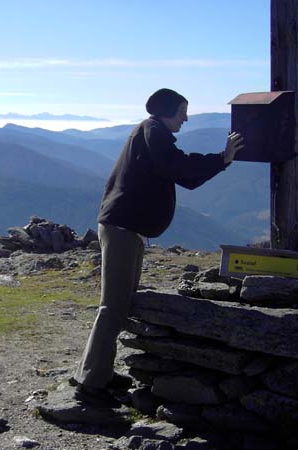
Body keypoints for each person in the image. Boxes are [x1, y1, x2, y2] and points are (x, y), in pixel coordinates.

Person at [71, 88, 244, 407]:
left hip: (125, 227)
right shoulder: (153, 131)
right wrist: (221, 159)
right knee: (113, 306)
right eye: (182, 112)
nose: (187, 118)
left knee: (119, 304)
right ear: (167, 111)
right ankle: (90, 383)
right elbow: (177, 167)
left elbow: (175, 169)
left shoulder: (150, 132)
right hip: (122, 229)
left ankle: (97, 373)